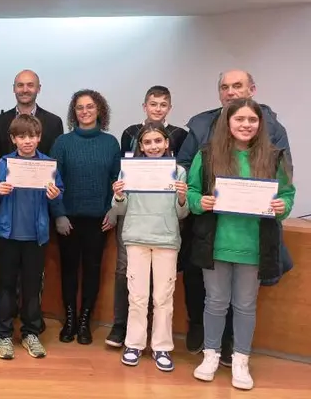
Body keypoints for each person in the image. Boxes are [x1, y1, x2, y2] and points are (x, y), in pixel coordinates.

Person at [176, 70, 293, 365]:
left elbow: (285, 190)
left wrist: (282, 206)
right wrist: (198, 200)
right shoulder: (205, 143)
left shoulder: (273, 145)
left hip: (253, 238)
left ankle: (237, 353)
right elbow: (189, 179)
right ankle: (209, 347)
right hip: (213, 232)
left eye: (237, 86)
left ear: (252, 89)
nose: (231, 92)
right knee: (212, 298)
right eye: (225, 87)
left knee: (244, 304)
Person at [105, 85, 188, 348]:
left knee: (163, 297)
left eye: (158, 142)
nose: (153, 146)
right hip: (136, 236)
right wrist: (118, 196)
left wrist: (184, 197)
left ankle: (162, 346)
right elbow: (120, 208)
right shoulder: (129, 170)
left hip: (166, 238)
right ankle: (133, 343)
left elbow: (182, 212)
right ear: (140, 144)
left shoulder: (179, 172)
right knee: (137, 296)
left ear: (167, 143)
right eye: (148, 142)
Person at [49, 89, 121, 345]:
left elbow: (118, 180)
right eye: (80, 107)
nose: (85, 111)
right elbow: (53, 181)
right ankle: (69, 319)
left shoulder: (110, 143)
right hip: (68, 219)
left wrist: (114, 211)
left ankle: (84, 322)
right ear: (74, 112)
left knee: (92, 272)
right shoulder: (62, 143)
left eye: (90, 106)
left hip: (99, 221)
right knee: (68, 271)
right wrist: (58, 214)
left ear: (99, 110)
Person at [0, 114, 63, 360]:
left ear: (39, 137)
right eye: (21, 136)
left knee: (32, 287)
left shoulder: (48, 165)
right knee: (6, 286)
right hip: (9, 234)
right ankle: (3, 334)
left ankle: (31, 332)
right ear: (13, 139)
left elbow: (59, 192)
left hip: (36, 236)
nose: (27, 141)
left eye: (32, 136)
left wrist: (55, 195)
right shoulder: (4, 163)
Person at [0, 70, 64, 172]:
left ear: (38, 88)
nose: (25, 90)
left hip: (42, 185)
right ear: (14, 88)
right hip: (7, 186)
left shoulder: (54, 122)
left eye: (30, 85)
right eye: (20, 85)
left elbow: (56, 161)